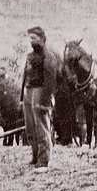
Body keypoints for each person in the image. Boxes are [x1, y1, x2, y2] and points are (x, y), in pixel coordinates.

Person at [21, 26, 59, 171]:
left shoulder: (48, 56)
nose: (31, 41)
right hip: (29, 91)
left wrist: (45, 100)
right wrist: (22, 96)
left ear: (42, 39)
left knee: (41, 126)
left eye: (34, 38)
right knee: (30, 126)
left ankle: (44, 160)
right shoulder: (30, 56)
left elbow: (50, 80)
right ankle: (35, 156)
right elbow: (25, 77)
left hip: (40, 91)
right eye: (30, 38)